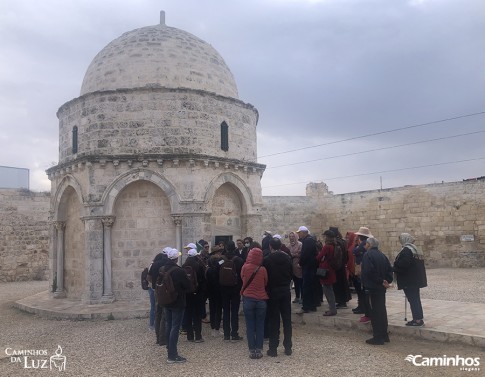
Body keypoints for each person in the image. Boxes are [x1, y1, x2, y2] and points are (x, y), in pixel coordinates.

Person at [360, 237, 393, 345]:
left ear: (369, 245)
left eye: (366, 244)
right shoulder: (382, 255)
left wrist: (380, 281)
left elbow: (369, 271)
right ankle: (384, 335)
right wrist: (386, 281)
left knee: (375, 312)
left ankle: (378, 337)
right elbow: (389, 270)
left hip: (372, 288)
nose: (365, 246)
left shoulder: (367, 255)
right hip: (381, 288)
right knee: (382, 311)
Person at [162, 248, 192, 363]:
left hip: (166, 301)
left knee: (169, 325)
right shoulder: (179, 271)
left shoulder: (163, 268)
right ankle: (172, 355)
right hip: (177, 302)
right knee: (175, 327)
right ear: (176, 258)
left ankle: (169, 349)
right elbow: (188, 286)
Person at [264, 238, 293, 357]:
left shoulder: (267, 259)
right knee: (287, 319)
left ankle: (273, 348)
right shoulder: (287, 258)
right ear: (280, 246)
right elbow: (291, 273)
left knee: (273, 320)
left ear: (270, 246)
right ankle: (288, 347)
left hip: (273, 291)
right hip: (285, 290)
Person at [393, 233, 427, 327]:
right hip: (415, 280)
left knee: (413, 299)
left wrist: (394, 267)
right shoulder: (414, 249)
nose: (400, 241)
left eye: (400, 239)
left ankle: (417, 320)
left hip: (409, 280)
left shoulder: (407, 250)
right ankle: (418, 318)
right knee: (415, 299)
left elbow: (404, 264)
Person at [241, 247, 268, 359]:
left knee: (250, 326)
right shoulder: (262, 269)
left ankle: (252, 350)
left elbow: (243, 279)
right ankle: (259, 350)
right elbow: (265, 282)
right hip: (261, 299)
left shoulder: (245, 267)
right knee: (260, 325)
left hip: (248, 298)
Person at [220, 240, 244, 341]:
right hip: (235, 288)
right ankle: (234, 333)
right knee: (234, 311)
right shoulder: (238, 260)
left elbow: (216, 271)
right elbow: (242, 275)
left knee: (225, 311)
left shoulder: (221, 260)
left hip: (224, 288)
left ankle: (226, 334)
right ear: (234, 248)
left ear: (226, 248)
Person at [182, 248, 207, 342]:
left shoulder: (184, 265)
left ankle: (190, 336)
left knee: (188, 313)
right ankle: (198, 336)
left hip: (187, 293)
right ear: (196, 256)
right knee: (196, 315)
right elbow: (203, 280)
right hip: (197, 293)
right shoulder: (199, 266)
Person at [353, 226, 373, 323]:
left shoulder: (364, 244)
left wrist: (357, 245)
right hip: (363, 268)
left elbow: (354, 251)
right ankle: (364, 308)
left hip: (362, 268)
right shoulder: (366, 243)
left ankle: (365, 310)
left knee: (363, 290)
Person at [149, 249, 169, 346]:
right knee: (164, 315)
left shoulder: (154, 264)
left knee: (158, 314)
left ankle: (158, 337)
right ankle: (163, 339)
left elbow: (149, 277)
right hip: (164, 291)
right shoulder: (167, 264)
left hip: (156, 290)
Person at [295, 226, 318, 313]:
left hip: (308, 267)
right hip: (311, 267)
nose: (299, 234)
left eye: (299, 233)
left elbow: (305, 254)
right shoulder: (310, 240)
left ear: (304, 232)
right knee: (311, 287)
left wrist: (300, 263)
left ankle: (306, 306)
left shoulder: (307, 241)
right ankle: (312, 305)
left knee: (306, 287)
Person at [316, 230, 337, 316]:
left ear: (327, 237)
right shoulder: (334, 245)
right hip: (331, 269)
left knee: (328, 291)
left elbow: (319, 257)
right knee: (330, 289)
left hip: (326, 270)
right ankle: (332, 308)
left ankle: (332, 309)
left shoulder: (327, 246)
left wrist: (318, 254)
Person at [206, 254, 223, 336]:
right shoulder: (219, 270)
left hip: (210, 292)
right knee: (218, 310)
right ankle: (217, 328)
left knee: (212, 310)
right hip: (219, 292)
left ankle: (212, 328)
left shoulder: (208, 270)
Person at [288, 231, 302, 304]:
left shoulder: (300, 244)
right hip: (291, 266)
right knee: (295, 282)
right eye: (290, 236)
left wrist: (293, 255)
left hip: (298, 266)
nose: (291, 238)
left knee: (300, 282)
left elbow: (300, 253)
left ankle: (302, 297)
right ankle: (297, 297)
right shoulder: (289, 245)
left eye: (293, 236)